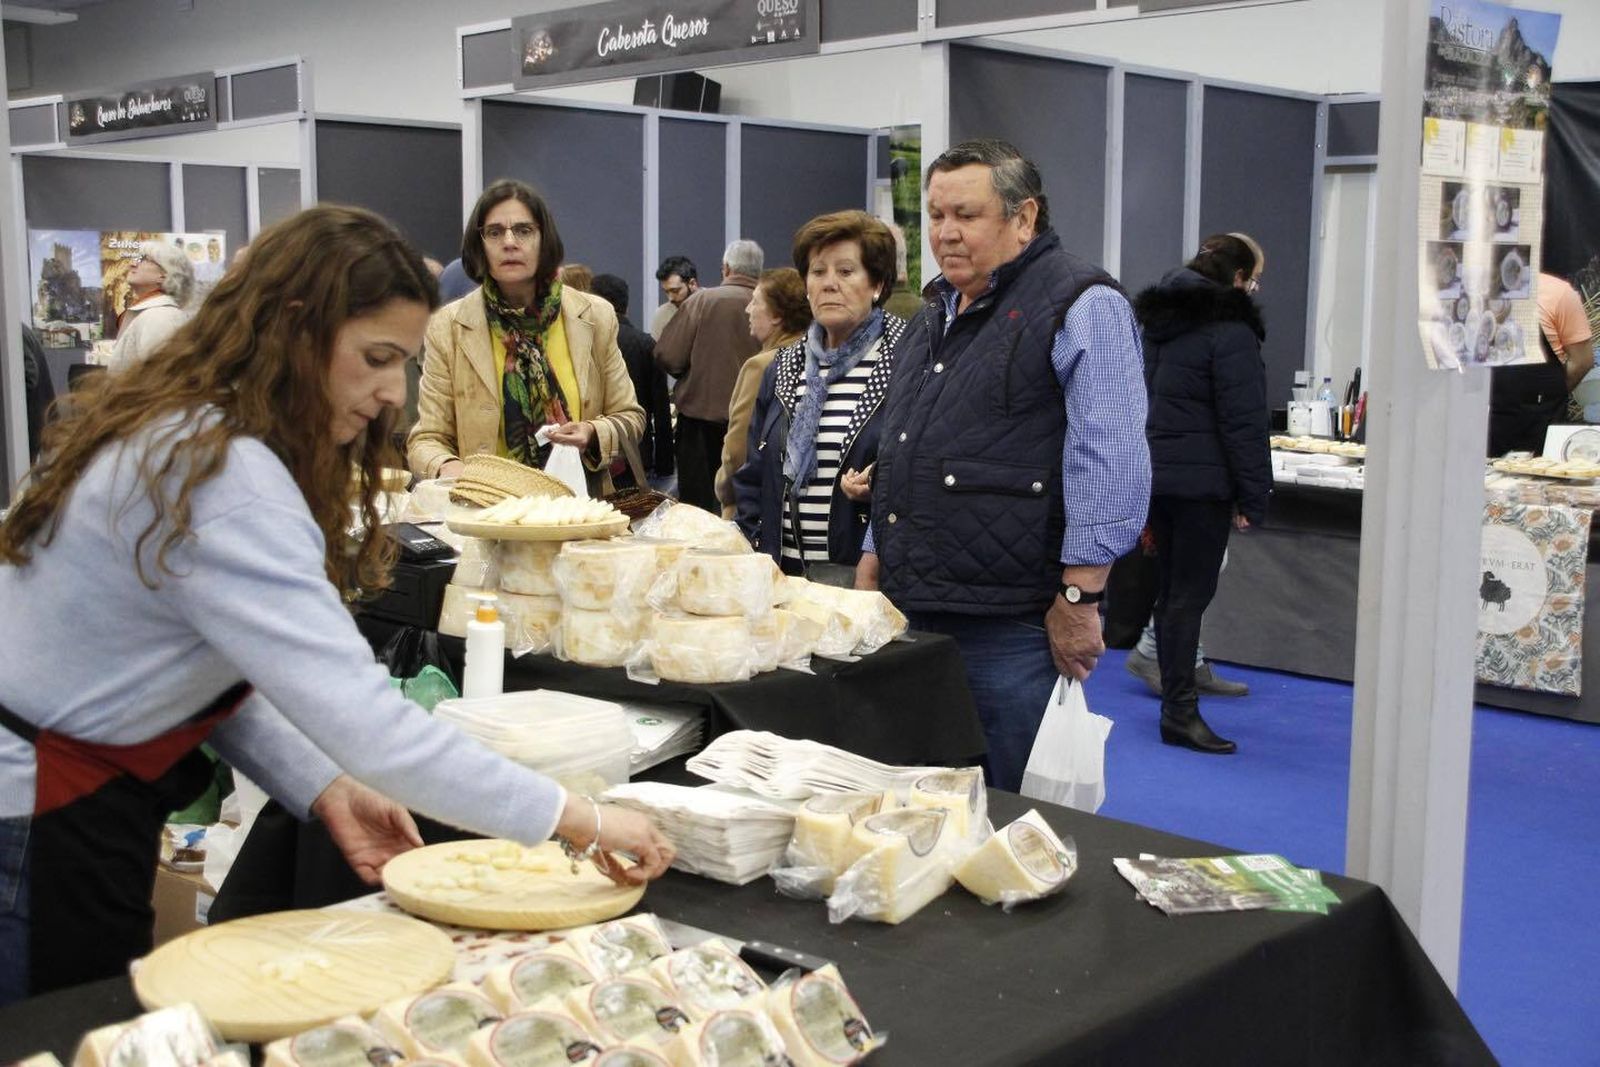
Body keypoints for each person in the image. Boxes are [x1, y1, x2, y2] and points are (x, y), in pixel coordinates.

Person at [0, 205, 673, 1004]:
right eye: (377, 357)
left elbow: (202, 672)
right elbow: (370, 723)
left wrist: (322, 783)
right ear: (294, 329)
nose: (394, 392)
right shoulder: (225, 474)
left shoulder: (184, 428)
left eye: (405, 363)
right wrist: (580, 818)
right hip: (39, 816)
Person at [857, 139, 1150, 792]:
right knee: (918, 809)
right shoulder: (936, 312)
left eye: (966, 214)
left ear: (1024, 218)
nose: (945, 232)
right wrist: (877, 545)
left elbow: (1110, 463)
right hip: (914, 612)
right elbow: (905, 442)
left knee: (1009, 818)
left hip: (1011, 627)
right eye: (935, 216)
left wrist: (1081, 595)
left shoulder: (1083, 304)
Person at [407, 180, 644, 493]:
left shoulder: (594, 315)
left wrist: (591, 431)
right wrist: (453, 470)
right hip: (486, 513)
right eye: (494, 232)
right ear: (480, 246)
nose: (509, 242)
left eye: (523, 230)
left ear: (544, 240)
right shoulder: (447, 327)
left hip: (579, 515)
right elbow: (426, 439)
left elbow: (630, 417)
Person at [1134, 234, 1271, 755]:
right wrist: (1253, 495)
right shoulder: (1229, 329)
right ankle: (1180, 712)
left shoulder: (1156, 322)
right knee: (1188, 598)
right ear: (1236, 279)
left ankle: (1177, 703)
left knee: (1172, 596)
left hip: (1157, 477)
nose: (1254, 290)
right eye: (1253, 280)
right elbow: (1244, 421)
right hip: (1203, 484)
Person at [733, 214, 904, 578]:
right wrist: (756, 550)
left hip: (867, 576)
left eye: (845, 272)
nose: (829, 285)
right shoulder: (783, 366)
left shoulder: (907, 358)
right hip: (783, 575)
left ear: (877, 283)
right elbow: (754, 475)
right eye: (817, 272)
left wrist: (878, 483)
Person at [655, 240, 764, 511]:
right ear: (759, 271)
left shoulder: (702, 301)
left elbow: (668, 355)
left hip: (700, 422)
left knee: (698, 511)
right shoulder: (772, 304)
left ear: (725, 268)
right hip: (757, 424)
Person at [715, 267, 810, 517]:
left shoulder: (761, 367)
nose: (748, 310)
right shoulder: (817, 359)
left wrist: (724, 490)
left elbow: (738, 451)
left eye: (755, 302)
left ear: (776, 315)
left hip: (750, 509)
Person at [1488, 272, 1597, 456]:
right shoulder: (1468, 293)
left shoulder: (1559, 293)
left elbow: (1582, 361)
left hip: (1540, 426)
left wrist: (1547, 394)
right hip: (1485, 425)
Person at [590, 272, 674, 483]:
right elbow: (661, 408)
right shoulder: (646, 344)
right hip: (638, 451)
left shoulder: (587, 343)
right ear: (626, 306)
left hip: (594, 449)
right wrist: (665, 465)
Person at [107, 243, 194, 374]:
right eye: (136, 259)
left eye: (144, 260)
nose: (132, 264)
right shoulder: (153, 312)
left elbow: (159, 379)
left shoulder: (161, 316)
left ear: (164, 275)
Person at [651, 255, 699, 339]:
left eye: (675, 291)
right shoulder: (662, 314)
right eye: (666, 292)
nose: (670, 298)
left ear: (692, 284)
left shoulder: (713, 306)